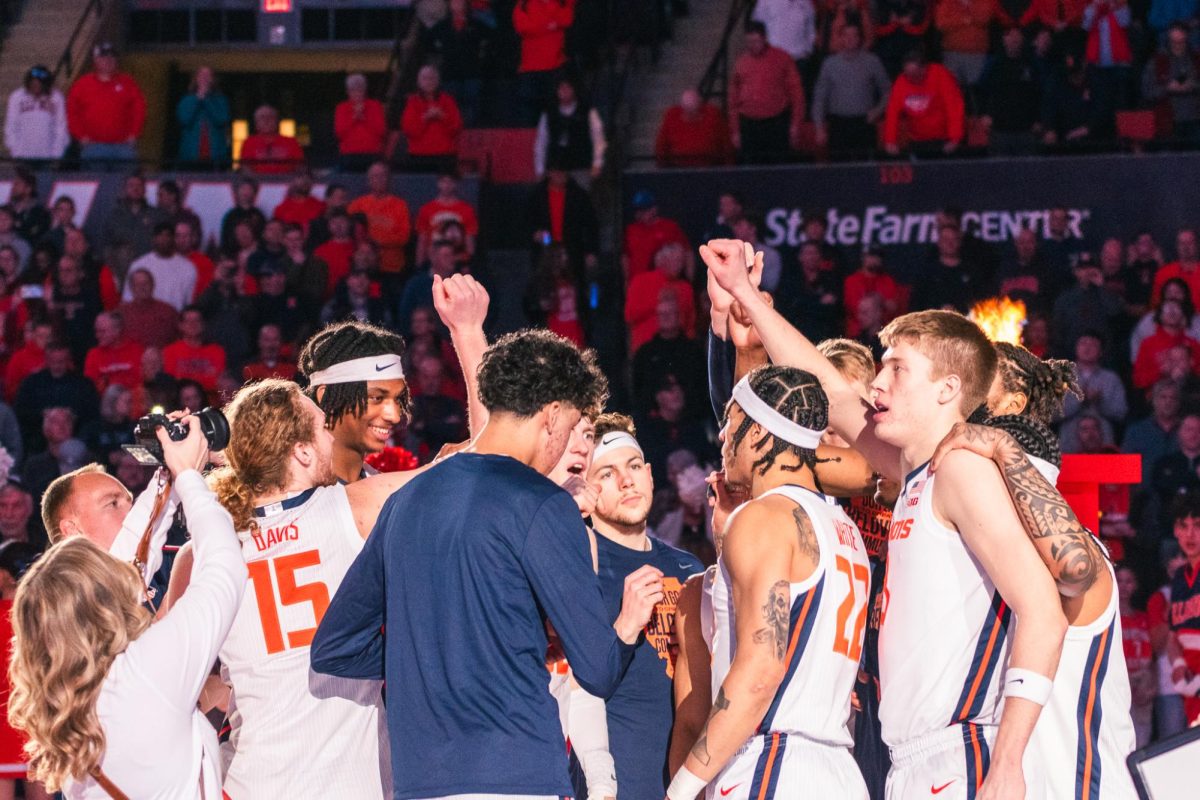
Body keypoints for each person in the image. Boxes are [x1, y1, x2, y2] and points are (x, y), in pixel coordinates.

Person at [702, 240, 1068, 798]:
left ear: (947, 389)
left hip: (964, 752)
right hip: (913, 758)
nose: (876, 384)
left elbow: (1044, 610)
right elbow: (825, 383)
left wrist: (1009, 763)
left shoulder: (961, 471)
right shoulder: (911, 467)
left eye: (897, 369)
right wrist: (747, 295)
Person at [310, 329, 663, 798]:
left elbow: (334, 648)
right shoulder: (543, 504)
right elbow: (596, 668)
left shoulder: (406, 501)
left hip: (419, 782)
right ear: (553, 413)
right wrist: (625, 626)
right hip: (517, 774)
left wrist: (424, 660)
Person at [9, 413, 242, 798]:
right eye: (113, 503)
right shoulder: (145, 667)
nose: (129, 511)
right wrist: (188, 476)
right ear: (72, 533)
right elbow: (223, 568)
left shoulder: (60, 690)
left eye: (130, 502)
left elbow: (129, 561)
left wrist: (166, 479)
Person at [666, 365, 870, 799]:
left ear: (758, 435)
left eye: (732, 422)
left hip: (773, 761)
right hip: (837, 769)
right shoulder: (844, 527)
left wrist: (682, 788)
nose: (722, 437)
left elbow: (760, 672)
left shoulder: (762, 517)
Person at [573, 415, 704, 798]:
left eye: (633, 467)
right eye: (607, 473)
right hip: (614, 785)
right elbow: (576, 689)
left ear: (649, 474)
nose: (626, 480)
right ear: (587, 488)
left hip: (686, 780)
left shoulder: (687, 568)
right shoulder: (581, 565)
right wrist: (626, 627)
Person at [298, 320, 409, 485]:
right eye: (376, 398)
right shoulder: (289, 493)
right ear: (325, 395)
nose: (394, 417)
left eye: (398, 399)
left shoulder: (382, 487)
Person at [728, 21, 806, 163]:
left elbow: (797, 93)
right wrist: (735, 130)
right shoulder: (741, 62)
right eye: (749, 42)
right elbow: (733, 99)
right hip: (749, 125)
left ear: (764, 38)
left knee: (777, 168)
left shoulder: (782, 58)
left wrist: (795, 124)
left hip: (775, 124)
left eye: (756, 41)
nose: (753, 46)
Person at [811, 23, 892, 157]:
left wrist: (878, 111)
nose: (850, 39)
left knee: (866, 171)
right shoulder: (829, 64)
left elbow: (888, 91)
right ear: (840, 38)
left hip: (864, 125)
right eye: (846, 35)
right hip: (838, 126)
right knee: (840, 172)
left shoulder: (872, 61)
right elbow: (819, 97)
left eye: (854, 35)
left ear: (860, 38)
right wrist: (819, 127)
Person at [1155, 493, 1200, 726]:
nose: (1190, 534)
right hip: (1190, 686)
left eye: (1198, 526)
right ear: (1175, 530)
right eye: (1184, 526)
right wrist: (1179, 665)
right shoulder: (1181, 579)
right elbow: (1173, 636)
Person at [66, 43, 146, 166]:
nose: (108, 60)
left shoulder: (128, 82)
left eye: (112, 56)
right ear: (95, 60)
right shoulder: (82, 84)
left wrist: (134, 133)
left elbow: (139, 109)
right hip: (93, 148)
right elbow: (72, 113)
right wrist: (80, 136)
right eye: (103, 57)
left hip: (123, 147)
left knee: (125, 183)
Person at [883, 49, 965, 155]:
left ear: (924, 69)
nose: (911, 79)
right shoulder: (901, 82)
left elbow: (954, 107)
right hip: (916, 139)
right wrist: (890, 141)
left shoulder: (940, 75)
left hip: (944, 139)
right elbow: (892, 113)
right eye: (908, 75)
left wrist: (955, 138)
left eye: (914, 75)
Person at [348, 161, 412, 279]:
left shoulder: (400, 205)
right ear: (368, 180)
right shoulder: (357, 204)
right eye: (374, 176)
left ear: (389, 178)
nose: (379, 179)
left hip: (392, 267)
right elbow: (348, 232)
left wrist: (375, 241)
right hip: (364, 268)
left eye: (382, 175)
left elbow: (404, 237)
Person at [534, 76, 606, 179]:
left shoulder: (586, 111)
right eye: (561, 88)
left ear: (574, 90)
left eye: (567, 88)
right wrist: (539, 168)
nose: (564, 91)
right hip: (556, 168)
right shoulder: (549, 113)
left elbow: (598, 137)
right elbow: (541, 141)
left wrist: (597, 163)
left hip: (580, 167)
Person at [398, 65, 463, 174]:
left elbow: (457, 128)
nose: (429, 81)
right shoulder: (412, 102)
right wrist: (426, 117)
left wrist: (442, 116)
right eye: (425, 78)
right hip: (419, 156)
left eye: (432, 78)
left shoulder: (448, 101)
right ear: (419, 82)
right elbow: (409, 130)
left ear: (438, 81)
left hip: (445, 155)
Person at [655, 88, 735, 168]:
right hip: (678, 168)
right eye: (687, 112)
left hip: (709, 168)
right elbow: (661, 144)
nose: (691, 115)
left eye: (694, 111)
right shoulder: (672, 115)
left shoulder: (713, 114)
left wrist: (729, 167)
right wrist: (661, 166)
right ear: (682, 108)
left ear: (700, 105)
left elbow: (725, 141)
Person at [4, 64, 68, 160]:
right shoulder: (17, 97)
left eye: (39, 83)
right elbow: (11, 125)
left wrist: (57, 153)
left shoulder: (56, 97)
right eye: (33, 83)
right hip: (22, 156)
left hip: (48, 156)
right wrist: (15, 150)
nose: (36, 86)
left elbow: (61, 127)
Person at [415, 172, 479, 266]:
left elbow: (469, 243)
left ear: (456, 184)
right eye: (444, 181)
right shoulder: (426, 209)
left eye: (451, 182)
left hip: (458, 263)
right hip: (433, 263)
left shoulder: (467, 210)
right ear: (438, 183)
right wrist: (419, 265)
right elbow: (422, 241)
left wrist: (467, 265)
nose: (447, 185)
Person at [175, 66, 230, 167]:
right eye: (201, 75)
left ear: (213, 80)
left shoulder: (221, 100)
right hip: (190, 155)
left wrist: (206, 100)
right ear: (196, 79)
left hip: (216, 156)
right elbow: (185, 120)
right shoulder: (186, 100)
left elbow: (221, 120)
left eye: (208, 75)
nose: (204, 77)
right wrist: (197, 100)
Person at [162, 307, 226, 393]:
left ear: (203, 325)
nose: (193, 324)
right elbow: (172, 383)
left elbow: (218, 382)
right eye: (188, 321)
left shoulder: (216, 351)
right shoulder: (169, 351)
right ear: (181, 325)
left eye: (197, 320)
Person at [334, 73, 386, 171]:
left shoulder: (375, 106)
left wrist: (364, 118)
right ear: (348, 92)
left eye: (360, 89)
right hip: (349, 155)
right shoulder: (341, 108)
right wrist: (354, 118)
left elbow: (381, 131)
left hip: (372, 154)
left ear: (365, 90)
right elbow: (339, 133)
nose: (357, 93)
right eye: (353, 90)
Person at [83, 312, 143, 394]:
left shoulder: (136, 350)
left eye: (102, 331)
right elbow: (91, 386)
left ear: (117, 330)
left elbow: (140, 381)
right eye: (96, 331)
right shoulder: (93, 354)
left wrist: (109, 381)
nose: (97, 335)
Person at [239, 105, 304, 175]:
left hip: (286, 182)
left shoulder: (291, 142)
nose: (267, 121)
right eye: (262, 118)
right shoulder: (249, 143)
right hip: (258, 183)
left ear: (277, 121)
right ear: (256, 123)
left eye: (270, 117)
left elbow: (300, 167)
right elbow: (245, 168)